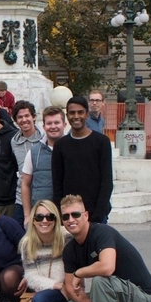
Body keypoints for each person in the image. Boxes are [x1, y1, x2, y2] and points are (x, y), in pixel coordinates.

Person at [54, 194, 151, 302]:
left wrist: (80, 273)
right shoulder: (70, 250)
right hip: (109, 296)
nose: (70, 219)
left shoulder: (102, 232)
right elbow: (71, 288)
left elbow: (107, 267)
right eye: (66, 216)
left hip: (139, 298)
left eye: (75, 214)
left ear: (85, 216)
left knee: (101, 280)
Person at [51, 96, 114, 224]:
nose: (76, 116)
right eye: (72, 113)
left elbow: (106, 182)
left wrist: (97, 216)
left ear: (87, 114)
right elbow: (57, 184)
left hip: (96, 215)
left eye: (80, 112)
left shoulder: (101, 142)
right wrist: (61, 214)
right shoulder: (60, 145)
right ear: (67, 116)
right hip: (70, 216)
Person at [15, 201, 69, 302]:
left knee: (40, 300)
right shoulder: (27, 243)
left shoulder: (67, 237)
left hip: (67, 292)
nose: (44, 221)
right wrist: (55, 285)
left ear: (56, 219)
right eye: (39, 217)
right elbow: (31, 276)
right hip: (46, 291)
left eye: (49, 217)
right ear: (33, 220)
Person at [21, 106, 65, 224]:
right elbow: (25, 184)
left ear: (64, 125)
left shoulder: (73, 150)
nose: (53, 126)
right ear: (44, 127)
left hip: (66, 216)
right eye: (49, 123)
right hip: (42, 218)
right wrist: (27, 215)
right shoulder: (34, 152)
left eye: (57, 122)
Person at [9, 101, 42, 224]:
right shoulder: (13, 142)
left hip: (42, 197)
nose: (24, 120)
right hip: (21, 199)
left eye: (27, 116)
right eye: (20, 117)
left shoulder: (44, 138)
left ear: (33, 117)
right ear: (16, 121)